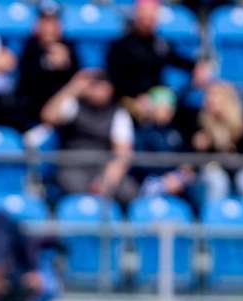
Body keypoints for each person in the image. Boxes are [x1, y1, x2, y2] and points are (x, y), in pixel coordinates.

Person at [41, 69, 138, 204]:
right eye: (93, 84)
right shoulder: (74, 105)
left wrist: (106, 181)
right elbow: (48, 116)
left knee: (128, 190)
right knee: (73, 186)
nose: (97, 89)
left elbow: (122, 154)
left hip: (103, 168)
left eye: (101, 84)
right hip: (73, 166)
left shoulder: (118, 113)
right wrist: (72, 88)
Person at [105, 0, 210, 103]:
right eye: (144, 17)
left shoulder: (160, 44)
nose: (148, 22)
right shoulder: (120, 46)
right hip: (129, 99)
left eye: (151, 17)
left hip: (155, 97)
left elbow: (178, 60)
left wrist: (197, 67)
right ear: (137, 16)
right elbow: (116, 78)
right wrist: (135, 98)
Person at [16, 0, 79, 130]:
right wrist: (46, 63)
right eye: (45, 21)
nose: (49, 28)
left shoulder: (69, 47)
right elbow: (25, 84)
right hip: (33, 113)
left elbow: (78, 77)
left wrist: (66, 65)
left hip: (63, 110)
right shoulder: (30, 47)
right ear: (37, 24)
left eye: (53, 22)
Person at [190, 80, 243, 202]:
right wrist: (198, 146)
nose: (211, 100)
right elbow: (194, 161)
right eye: (209, 96)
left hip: (237, 171)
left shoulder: (241, 124)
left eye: (216, 96)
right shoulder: (199, 122)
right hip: (209, 174)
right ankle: (212, 218)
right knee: (217, 180)